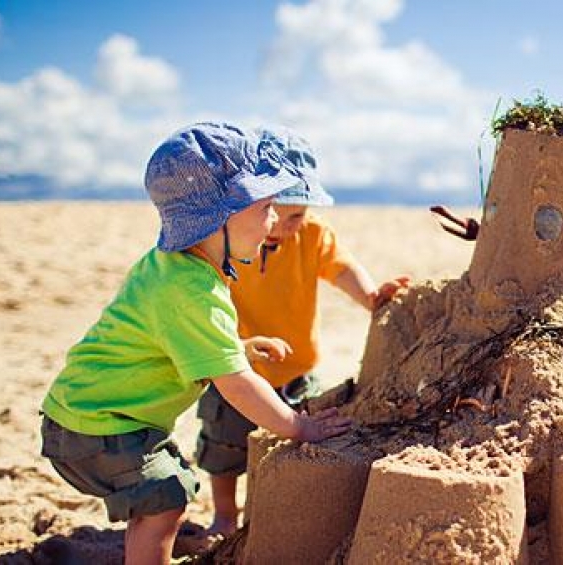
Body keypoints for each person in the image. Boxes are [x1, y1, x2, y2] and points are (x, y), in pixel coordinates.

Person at [39, 122, 353, 565]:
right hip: (96, 427)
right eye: (265, 207)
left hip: (84, 414)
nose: (273, 221)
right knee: (165, 495)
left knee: (166, 490)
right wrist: (301, 428)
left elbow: (173, 338)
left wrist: (236, 346)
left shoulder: (174, 266)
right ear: (218, 218)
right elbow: (237, 386)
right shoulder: (192, 291)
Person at [195, 126, 409, 536]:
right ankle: (224, 515)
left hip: (297, 369)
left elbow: (339, 267)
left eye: (298, 214)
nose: (286, 224)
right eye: (276, 211)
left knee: (302, 439)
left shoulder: (311, 236)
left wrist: (369, 296)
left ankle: (274, 512)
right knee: (223, 446)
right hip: (233, 365)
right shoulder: (231, 238)